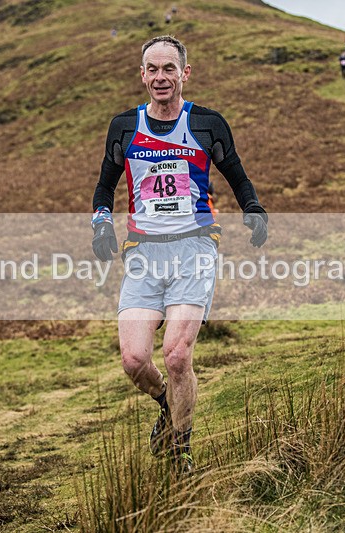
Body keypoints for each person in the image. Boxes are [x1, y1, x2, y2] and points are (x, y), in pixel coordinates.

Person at [91, 35, 268, 476]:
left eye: (169, 68)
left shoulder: (207, 124)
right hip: (143, 253)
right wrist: (100, 223)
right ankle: (168, 406)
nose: (160, 77)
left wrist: (253, 209)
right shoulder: (124, 127)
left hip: (195, 247)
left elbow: (237, 175)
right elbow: (104, 185)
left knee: (175, 356)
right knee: (134, 360)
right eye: (152, 69)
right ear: (142, 75)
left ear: (184, 73)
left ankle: (180, 450)